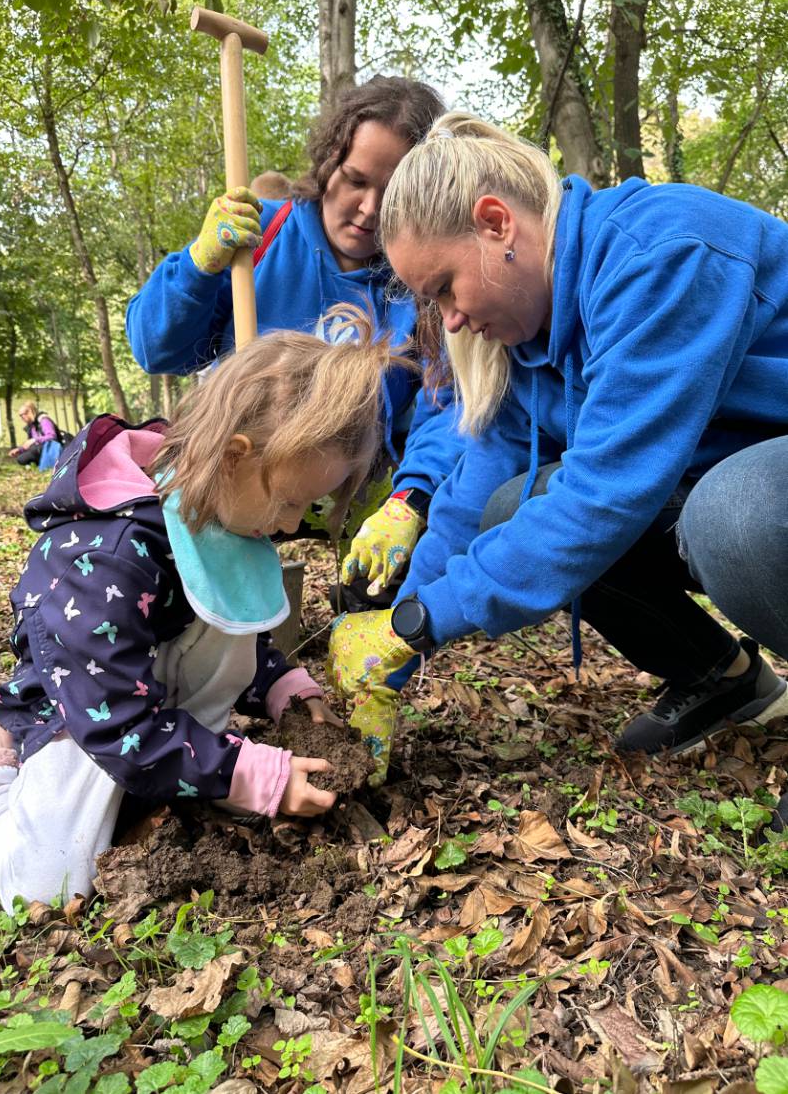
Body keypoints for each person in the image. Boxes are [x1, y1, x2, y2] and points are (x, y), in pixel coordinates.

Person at [327, 111, 788, 784]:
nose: (449, 319)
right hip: (736, 465)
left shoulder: (659, 253)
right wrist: (400, 620)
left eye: (445, 288)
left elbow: (604, 493)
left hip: (761, 482)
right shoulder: (527, 336)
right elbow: (474, 486)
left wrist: (422, 623)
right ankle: (722, 680)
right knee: (517, 504)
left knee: (734, 513)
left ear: (495, 223)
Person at [0, 314, 412, 912]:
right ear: (233, 457)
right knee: (48, 881)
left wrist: (283, 685)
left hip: (153, 710)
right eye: (291, 502)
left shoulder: (231, 508)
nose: (290, 525)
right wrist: (257, 777)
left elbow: (233, 626)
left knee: (158, 786)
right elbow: (117, 725)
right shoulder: (105, 559)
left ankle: (186, 762)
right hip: (83, 712)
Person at [126, 75, 464, 614]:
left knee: (404, 551)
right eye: (355, 179)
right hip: (240, 468)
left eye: (393, 192)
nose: (369, 209)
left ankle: (355, 626)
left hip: (349, 483)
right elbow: (154, 348)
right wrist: (197, 266)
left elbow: (445, 410)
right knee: (180, 589)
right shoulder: (259, 235)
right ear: (329, 158)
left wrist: (411, 497)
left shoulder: (420, 284)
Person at [10, 401, 63, 470]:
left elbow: (52, 436)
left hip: (51, 448)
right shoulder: (32, 426)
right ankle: (40, 464)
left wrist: (35, 440)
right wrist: (20, 450)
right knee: (21, 458)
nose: (21, 418)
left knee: (31, 452)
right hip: (38, 449)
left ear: (29, 412)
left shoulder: (44, 420)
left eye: (22, 415)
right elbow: (30, 443)